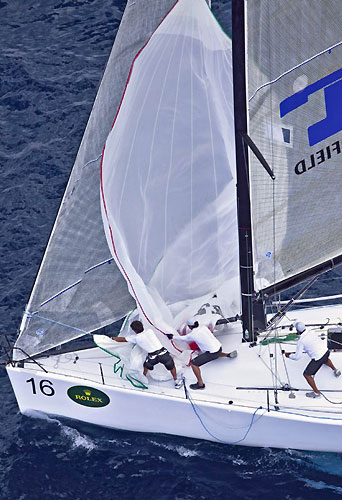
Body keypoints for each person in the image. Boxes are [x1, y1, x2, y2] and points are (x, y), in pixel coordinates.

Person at [112, 320, 183, 389]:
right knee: (172, 366)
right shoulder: (150, 331)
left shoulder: (136, 338)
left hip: (152, 357)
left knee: (145, 366)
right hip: (163, 353)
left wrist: (112, 338)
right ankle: (176, 380)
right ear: (142, 326)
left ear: (134, 330)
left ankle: (143, 379)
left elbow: (123, 339)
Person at [169, 320, 237, 390]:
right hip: (219, 348)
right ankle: (228, 355)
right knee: (214, 352)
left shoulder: (193, 334)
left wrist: (172, 337)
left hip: (213, 353)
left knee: (194, 364)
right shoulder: (203, 327)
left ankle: (200, 384)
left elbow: (183, 338)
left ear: (190, 326)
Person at [285, 321, 341, 398]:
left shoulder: (301, 341)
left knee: (306, 374)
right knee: (325, 359)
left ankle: (316, 393)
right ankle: (335, 370)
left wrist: (289, 355)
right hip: (326, 351)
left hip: (318, 358)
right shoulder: (310, 330)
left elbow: (297, 357)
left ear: (298, 331)